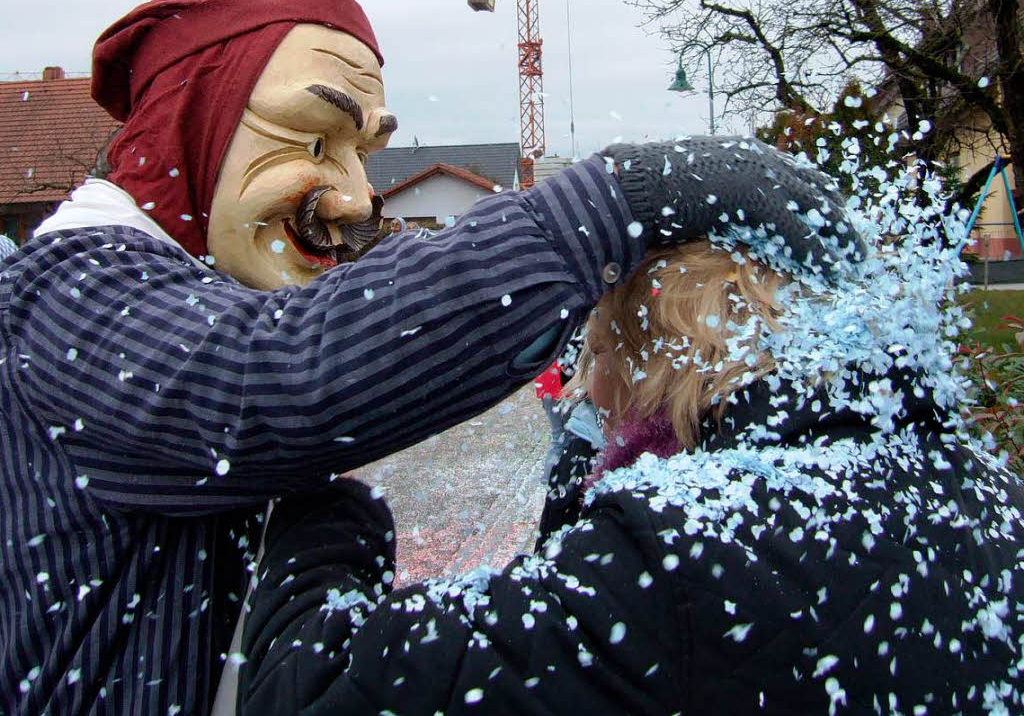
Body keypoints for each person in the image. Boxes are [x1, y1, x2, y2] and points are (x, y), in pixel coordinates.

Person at [0, 0, 862, 716]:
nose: (354, 198)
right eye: (312, 138)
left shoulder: (191, 289)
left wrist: (319, 544)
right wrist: (607, 205)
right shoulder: (69, 290)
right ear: (190, 128)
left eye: (362, 153)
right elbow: (276, 377)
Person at [237, 231, 1024, 714]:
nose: (587, 382)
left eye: (600, 348)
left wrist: (318, 472)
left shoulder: (676, 552)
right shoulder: (980, 486)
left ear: (654, 362)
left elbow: (311, 687)